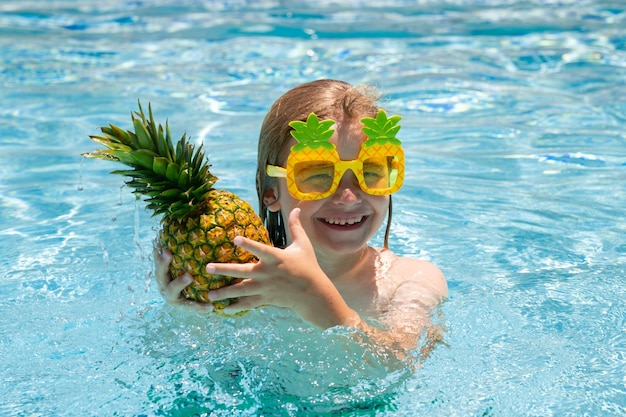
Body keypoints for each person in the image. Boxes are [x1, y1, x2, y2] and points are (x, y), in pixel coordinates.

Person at [155, 79, 448, 359]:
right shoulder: (242, 282)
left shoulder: (407, 280)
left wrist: (313, 299)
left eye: (372, 171)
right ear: (271, 192)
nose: (349, 196)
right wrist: (183, 310)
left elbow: (402, 360)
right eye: (318, 175)